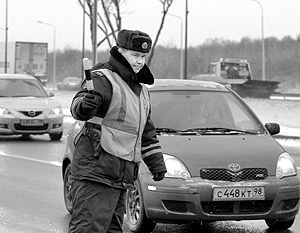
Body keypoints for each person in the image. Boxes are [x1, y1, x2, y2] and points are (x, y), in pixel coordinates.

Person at [68, 29, 167, 233]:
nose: (140, 61)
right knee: (88, 229)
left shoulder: (140, 89)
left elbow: (144, 131)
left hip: (120, 177)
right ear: (121, 53)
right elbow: (78, 106)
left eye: (143, 57)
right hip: (95, 173)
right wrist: (85, 105)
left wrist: (156, 162)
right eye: (135, 55)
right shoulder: (103, 78)